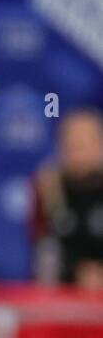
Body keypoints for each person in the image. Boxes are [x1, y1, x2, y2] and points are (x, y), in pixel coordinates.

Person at [34, 107, 103, 290]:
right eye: (69, 146)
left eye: (83, 145)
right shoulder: (51, 189)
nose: (77, 154)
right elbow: (46, 250)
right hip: (64, 294)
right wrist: (78, 272)